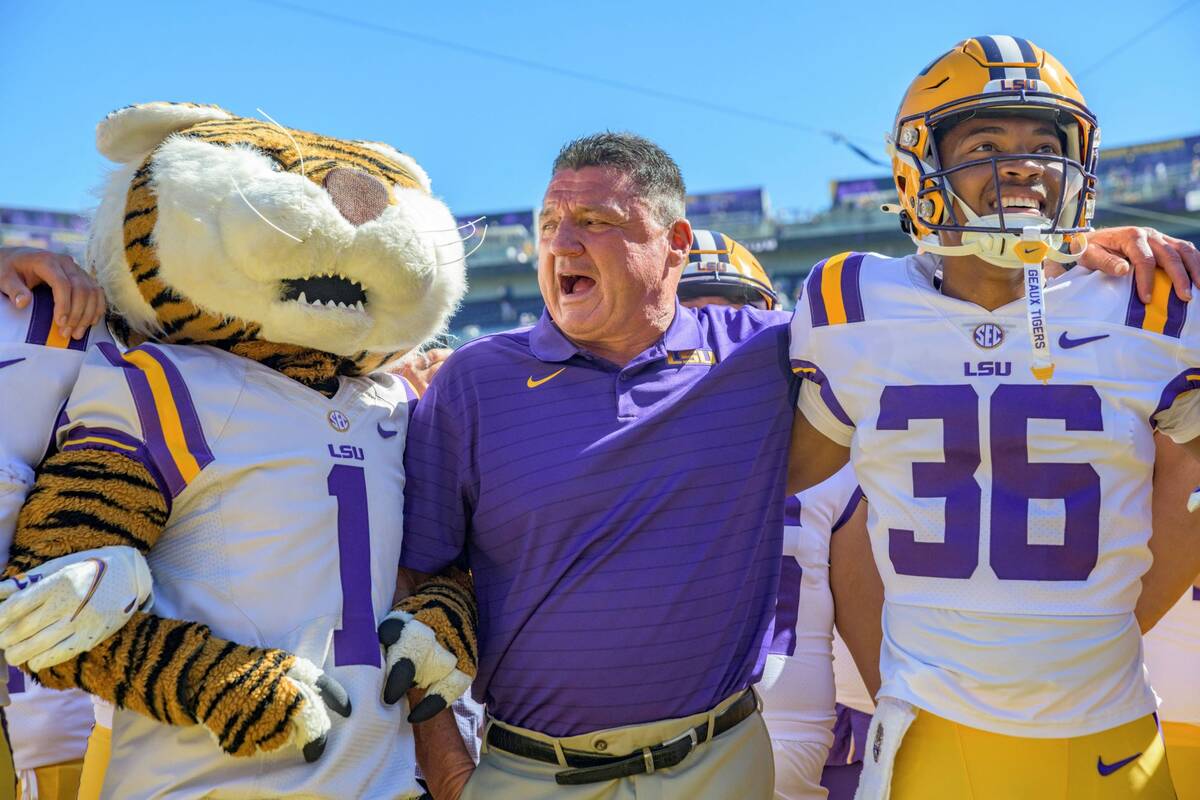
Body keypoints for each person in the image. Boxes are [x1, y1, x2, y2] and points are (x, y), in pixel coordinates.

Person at [787, 35, 1200, 799]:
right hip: (930, 735)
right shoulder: (848, 306)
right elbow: (787, 481)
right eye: (985, 143)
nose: (1023, 164)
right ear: (920, 166)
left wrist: (1095, 637)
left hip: (1109, 733)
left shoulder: (1154, 306)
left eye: (1046, 143)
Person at [678, 230, 868, 800]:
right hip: (663, 743)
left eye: (736, 315)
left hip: (798, 733)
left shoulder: (833, 452)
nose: (715, 338)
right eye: (693, 318)